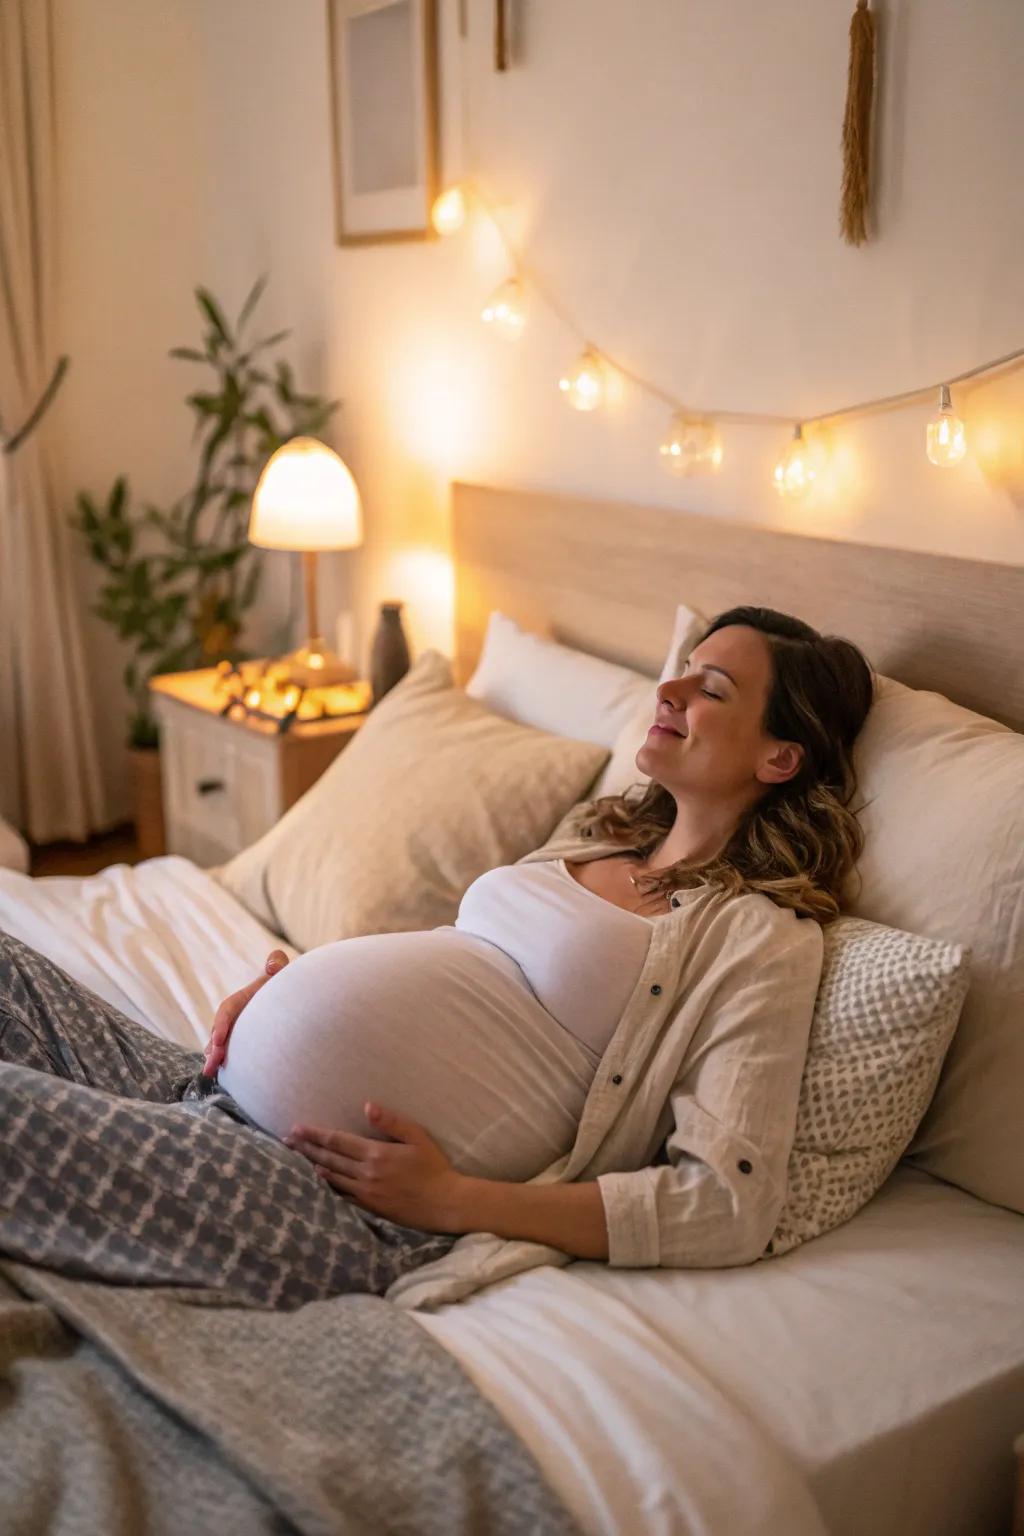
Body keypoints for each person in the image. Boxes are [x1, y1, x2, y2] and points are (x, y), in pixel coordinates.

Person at [0, 606, 874, 1312]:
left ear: (780, 757)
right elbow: (461, 966)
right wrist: (280, 992)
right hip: (214, 1085)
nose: (671, 685)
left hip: (319, 1195)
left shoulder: (757, 938)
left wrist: (455, 1201)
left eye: (711, 686)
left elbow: (727, 1204)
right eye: (681, 666)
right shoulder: (594, 840)